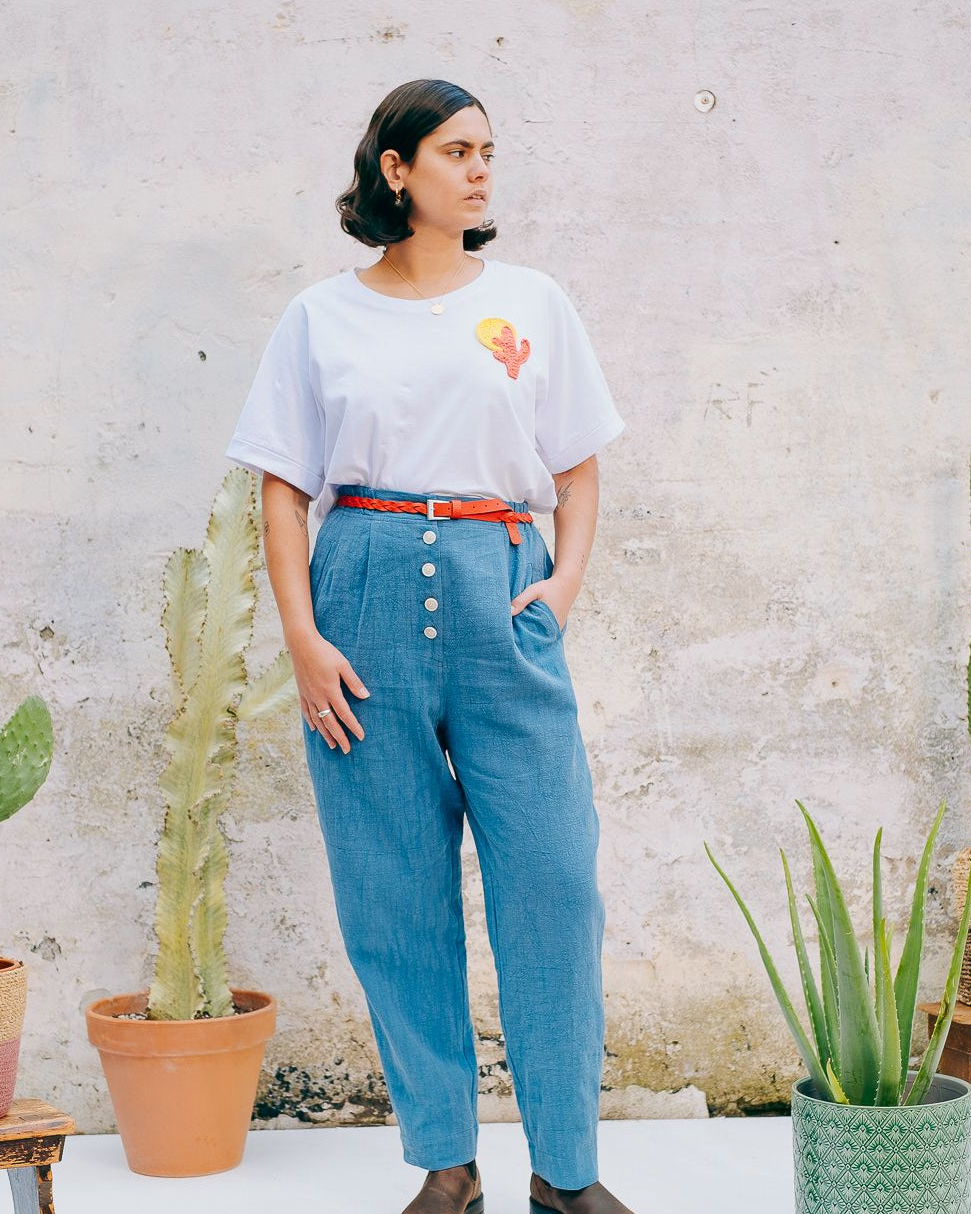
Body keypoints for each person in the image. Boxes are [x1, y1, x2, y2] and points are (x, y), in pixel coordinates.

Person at [225, 78, 632, 1214]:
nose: (481, 170)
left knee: (552, 881)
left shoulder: (533, 302)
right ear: (395, 170)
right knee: (393, 892)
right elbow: (283, 487)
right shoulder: (320, 315)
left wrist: (560, 586)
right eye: (456, 151)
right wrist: (303, 637)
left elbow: (579, 465)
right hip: (359, 592)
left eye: (487, 151)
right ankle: (446, 1164)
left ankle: (566, 1169)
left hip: (502, 588)